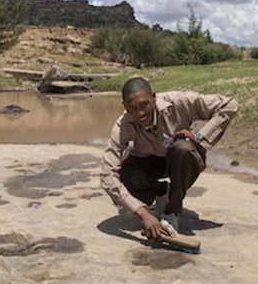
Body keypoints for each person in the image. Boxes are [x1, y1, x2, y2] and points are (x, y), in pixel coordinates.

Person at [100, 76, 239, 240]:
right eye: (133, 108)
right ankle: (161, 192)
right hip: (150, 162)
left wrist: (198, 136)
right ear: (125, 107)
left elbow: (230, 105)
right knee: (126, 173)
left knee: (183, 149)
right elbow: (107, 175)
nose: (140, 113)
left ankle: (172, 211)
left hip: (181, 158)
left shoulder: (180, 102)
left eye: (144, 104)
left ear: (153, 97)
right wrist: (142, 213)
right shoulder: (123, 125)